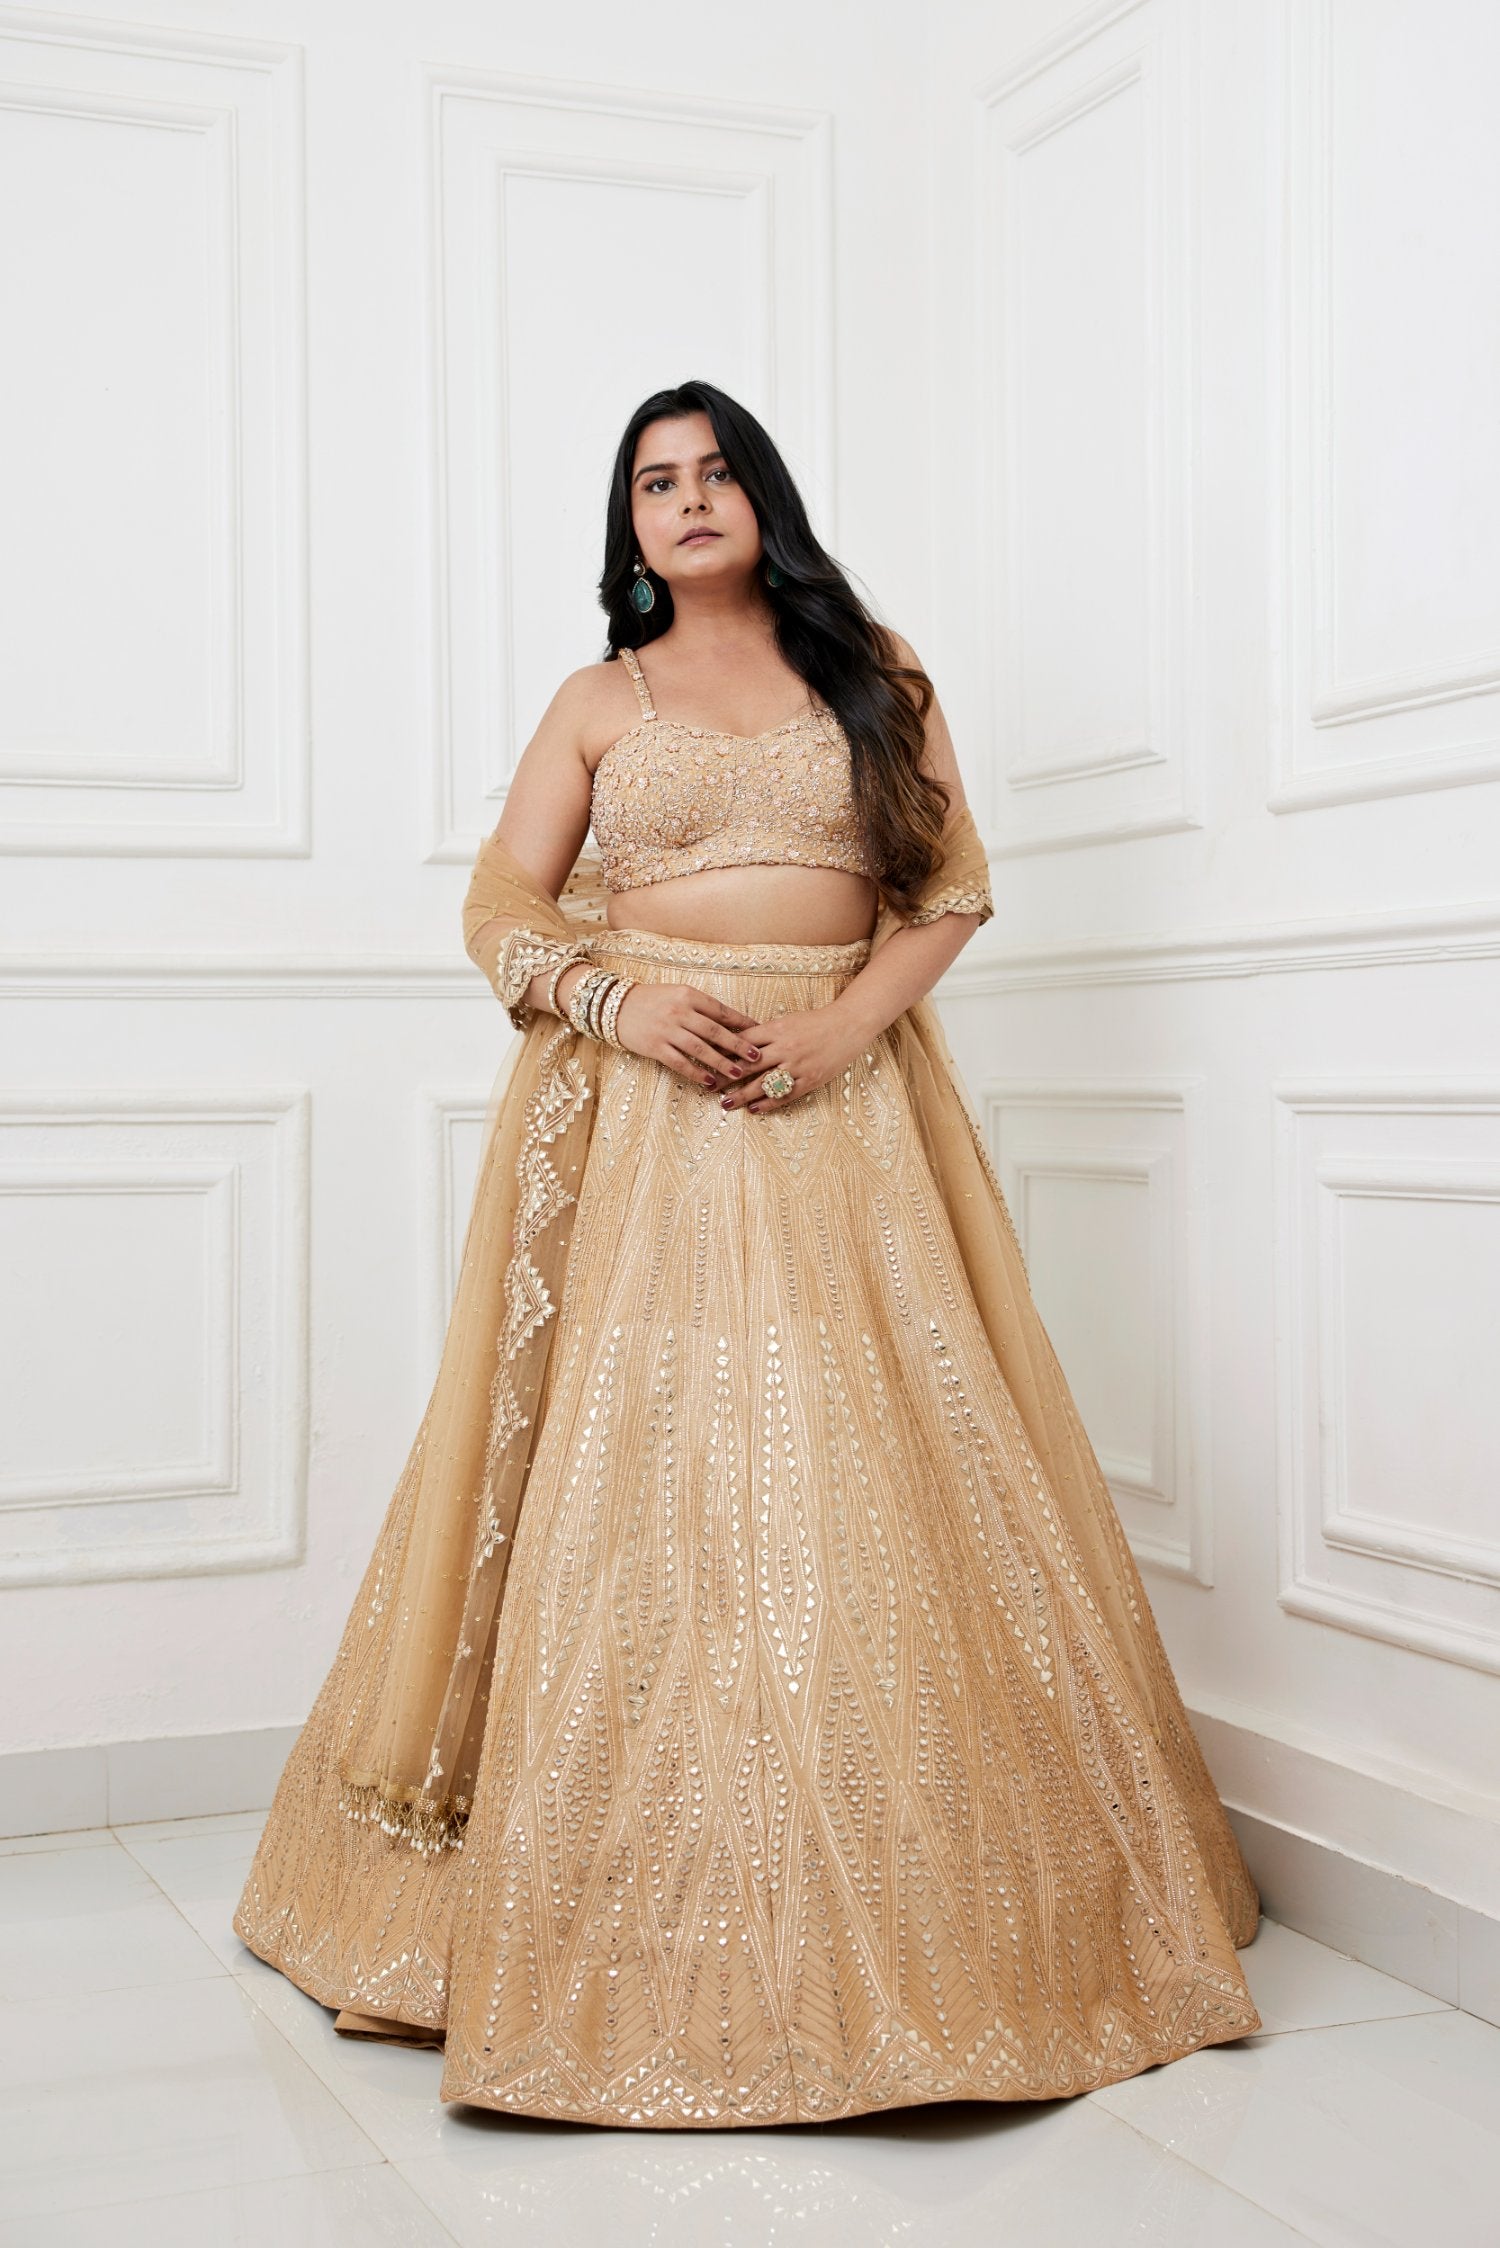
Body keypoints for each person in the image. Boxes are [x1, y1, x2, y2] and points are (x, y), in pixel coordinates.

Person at [235, 379, 1260, 2127]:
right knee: (654, 1473)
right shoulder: (598, 701)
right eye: (657, 482)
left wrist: (846, 1026)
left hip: (843, 1102)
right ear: (630, 526)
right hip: (647, 1110)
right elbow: (498, 909)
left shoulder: (874, 668)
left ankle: (937, 1902)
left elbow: (948, 888)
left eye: (717, 472)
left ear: (763, 496)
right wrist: (618, 1003)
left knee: (871, 1458)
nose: (691, 498)